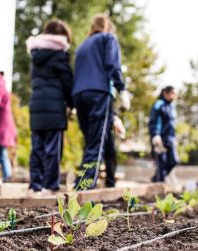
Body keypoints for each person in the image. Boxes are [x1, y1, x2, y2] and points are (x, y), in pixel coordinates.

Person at [72, 14, 130, 190]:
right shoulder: (108, 38)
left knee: (93, 140)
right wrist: (122, 88)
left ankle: (89, 182)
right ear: (108, 26)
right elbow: (113, 64)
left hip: (79, 95)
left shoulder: (82, 46)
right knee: (96, 142)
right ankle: (83, 188)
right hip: (99, 92)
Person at [26, 19, 73, 196]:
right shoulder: (60, 55)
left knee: (37, 148)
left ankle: (35, 186)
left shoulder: (36, 54)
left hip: (36, 105)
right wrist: (72, 104)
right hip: (54, 107)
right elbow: (67, 83)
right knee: (52, 149)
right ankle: (50, 186)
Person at [149, 86, 178, 183]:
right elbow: (154, 121)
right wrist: (155, 134)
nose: (173, 96)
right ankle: (159, 184)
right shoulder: (159, 104)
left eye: (175, 94)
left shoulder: (172, 106)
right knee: (161, 162)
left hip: (170, 138)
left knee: (173, 160)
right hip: (160, 138)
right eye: (172, 94)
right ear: (165, 93)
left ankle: (155, 179)